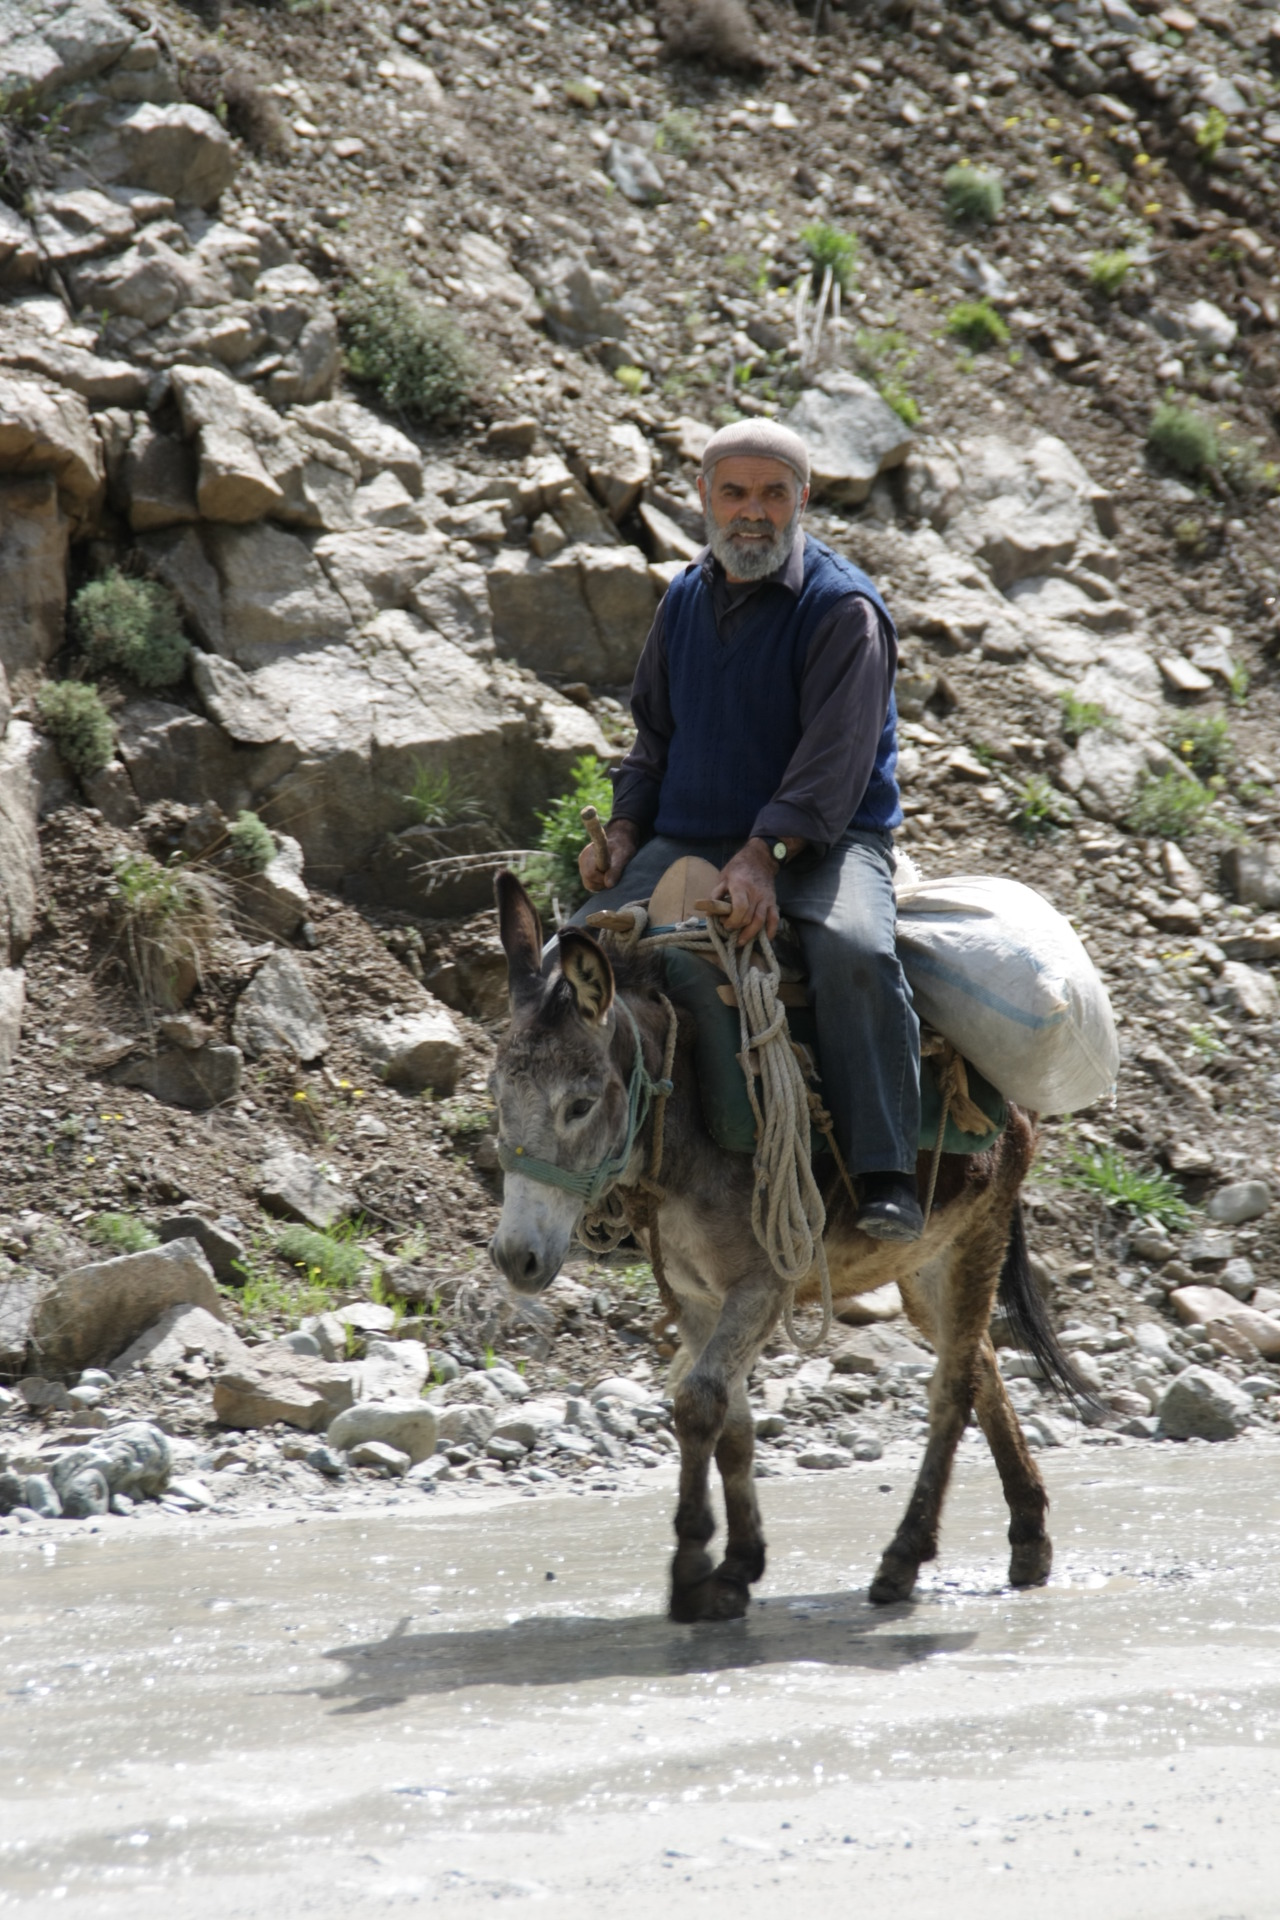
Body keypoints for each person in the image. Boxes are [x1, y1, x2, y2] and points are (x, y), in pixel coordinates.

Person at [573, 417, 923, 1241]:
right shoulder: (685, 600)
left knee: (856, 953)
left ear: (802, 499)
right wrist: (625, 831)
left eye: (773, 493)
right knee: (575, 958)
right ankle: (598, 1169)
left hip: (822, 841)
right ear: (704, 497)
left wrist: (765, 854)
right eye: (734, 492)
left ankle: (886, 1170)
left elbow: (833, 767)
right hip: (691, 834)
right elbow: (654, 738)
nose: (753, 512)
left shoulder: (843, 612)